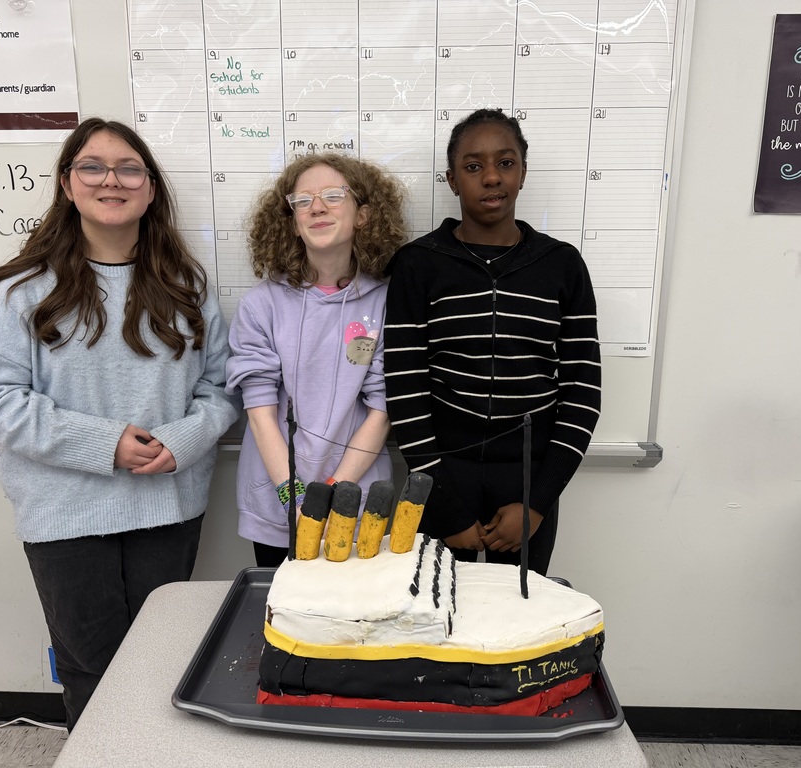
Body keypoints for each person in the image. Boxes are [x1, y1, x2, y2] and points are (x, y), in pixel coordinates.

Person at [0, 118, 241, 730]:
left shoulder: (188, 284)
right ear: (68, 184)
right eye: (92, 167)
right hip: (63, 512)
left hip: (167, 508)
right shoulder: (20, 290)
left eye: (128, 169)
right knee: (91, 665)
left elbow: (220, 388)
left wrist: (185, 437)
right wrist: (106, 442)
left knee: (161, 659)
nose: (110, 180)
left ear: (149, 189)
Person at [384, 108, 601, 575]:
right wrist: (442, 501)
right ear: (452, 179)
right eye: (473, 166)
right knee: (437, 614)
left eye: (505, 163)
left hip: (529, 477)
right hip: (442, 470)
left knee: (519, 621)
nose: (491, 178)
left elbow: (583, 393)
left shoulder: (561, 266)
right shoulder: (418, 264)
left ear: (523, 172)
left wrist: (537, 503)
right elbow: (405, 387)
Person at [226, 153, 408, 567]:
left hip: (357, 502)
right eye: (302, 201)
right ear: (291, 222)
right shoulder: (261, 306)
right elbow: (259, 413)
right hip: (277, 505)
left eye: (332, 195)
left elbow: (382, 410)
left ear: (364, 215)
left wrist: (335, 492)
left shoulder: (387, 304)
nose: (317, 207)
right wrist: (295, 498)